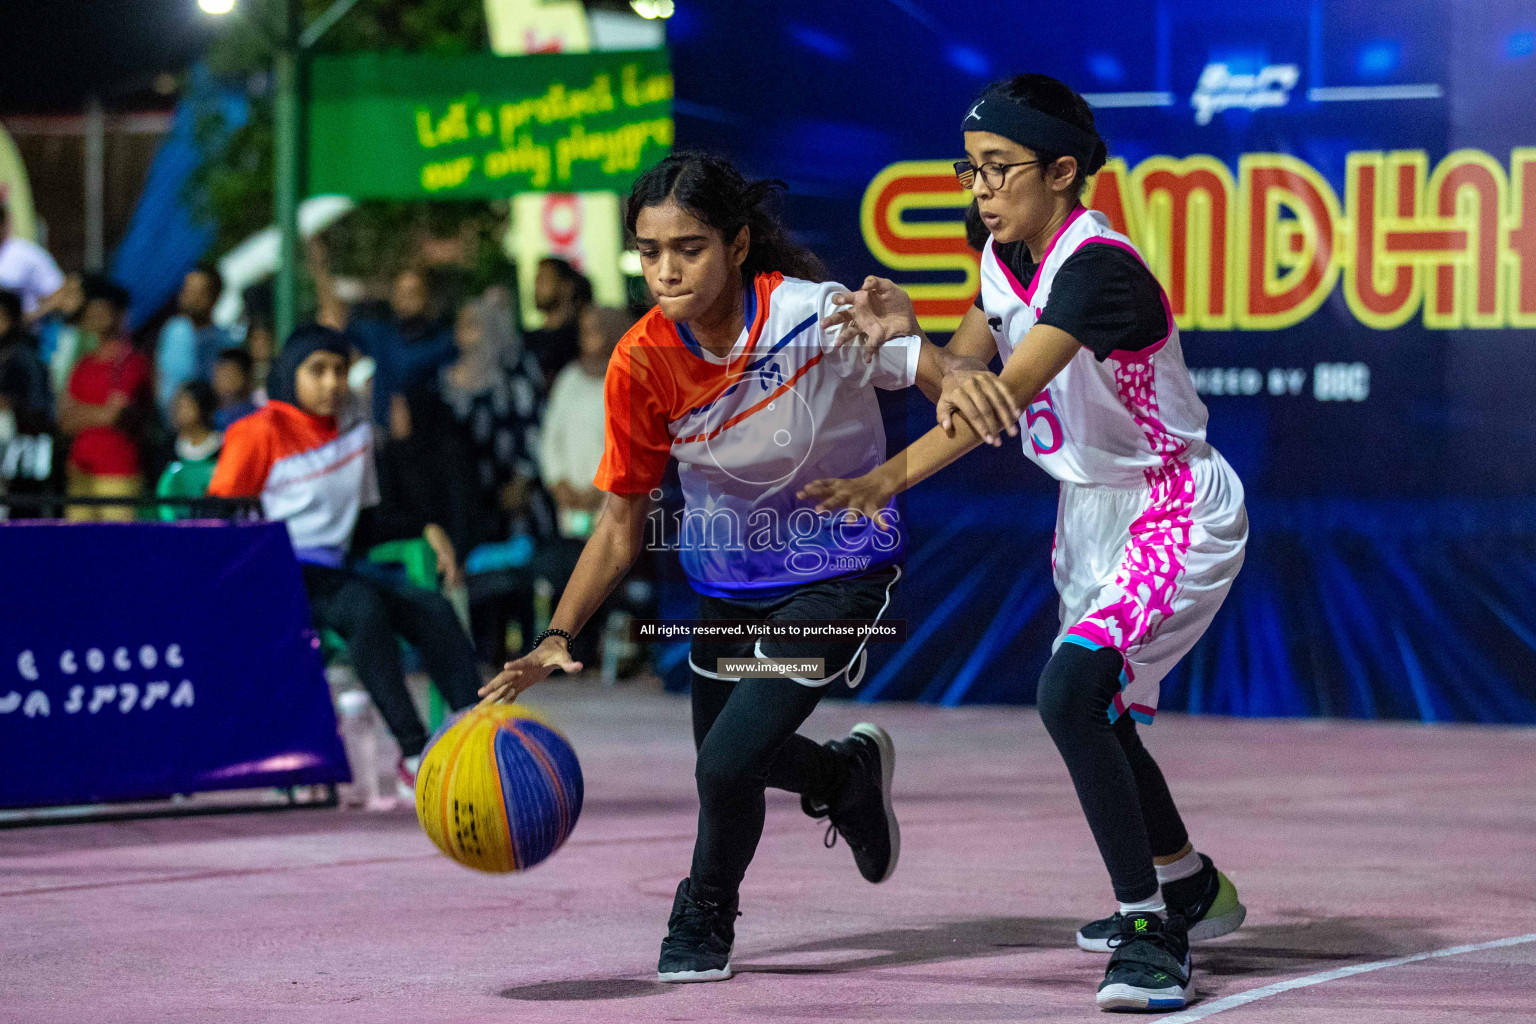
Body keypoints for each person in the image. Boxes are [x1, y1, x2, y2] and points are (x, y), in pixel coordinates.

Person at [803, 74, 1248, 1012]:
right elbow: (969, 375)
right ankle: (1191, 887)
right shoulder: (1003, 252)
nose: (981, 190)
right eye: (971, 171)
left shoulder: (1097, 270)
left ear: (1063, 171)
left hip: (1170, 507)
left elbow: (996, 400)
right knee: (1100, 710)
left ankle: (1146, 931)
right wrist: (918, 341)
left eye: (999, 170)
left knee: (1071, 692)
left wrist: (887, 469)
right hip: (1090, 515)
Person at [479, 152, 981, 984]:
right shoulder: (639, 362)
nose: (666, 270)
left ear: (739, 244)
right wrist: (555, 634)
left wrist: (935, 359)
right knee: (733, 755)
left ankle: (704, 910)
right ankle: (843, 775)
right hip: (726, 587)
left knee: (724, 765)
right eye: (649, 252)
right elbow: (619, 522)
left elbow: (940, 382)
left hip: (838, 570)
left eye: (690, 247)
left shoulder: (818, 315)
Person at [207, 324, 483, 799]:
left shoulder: (354, 435)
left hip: (335, 570)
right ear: (291, 373)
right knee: (363, 608)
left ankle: (476, 734)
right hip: (275, 571)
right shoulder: (257, 431)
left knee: (433, 609)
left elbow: (364, 523)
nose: (332, 383)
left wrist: (424, 528)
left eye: (340, 371)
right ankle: (414, 754)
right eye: (318, 371)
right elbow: (218, 522)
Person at [438, 290, 548, 538]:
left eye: (472, 323)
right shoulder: (446, 380)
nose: (462, 330)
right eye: (461, 323)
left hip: (515, 492)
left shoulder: (514, 369)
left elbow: (533, 423)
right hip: (468, 499)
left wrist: (522, 479)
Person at [58, 277, 151, 522]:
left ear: (118, 315)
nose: (96, 317)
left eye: (103, 311)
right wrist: (99, 412)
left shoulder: (130, 361)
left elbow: (116, 415)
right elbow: (64, 419)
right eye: (92, 311)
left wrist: (82, 413)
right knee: (78, 549)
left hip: (117, 473)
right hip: (80, 473)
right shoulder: (83, 365)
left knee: (117, 548)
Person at [155, 264, 235, 416]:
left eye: (200, 292)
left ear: (215, 296)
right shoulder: (174, 331)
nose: (191, 298)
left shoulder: (224, 340)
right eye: (188, 290)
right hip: (175, 426)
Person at [155, 380, 222, 521]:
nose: (178, 411)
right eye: (176, 405)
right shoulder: (166, 448)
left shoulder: (223, 448)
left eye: (185, 406)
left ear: (203, 408)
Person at [523, 256, 592, 384]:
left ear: (567, 287)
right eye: (536, 279)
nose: (537, 285)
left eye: (544, 279)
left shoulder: (582, 338)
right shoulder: (526, 340)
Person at [0, 288, 52, 434]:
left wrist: (9, 404)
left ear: (13, 320)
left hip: (15, 439)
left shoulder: (25, 358)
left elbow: (38, 406)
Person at [0, 198, 64, 316]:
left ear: (5, 224)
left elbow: (58, 293)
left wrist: (30, 318)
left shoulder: (28, 254)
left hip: (22, 330)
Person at [211, 348, 259, 429]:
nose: (221, 380)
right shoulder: (209, 416)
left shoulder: (254, 418)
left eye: (228, 374)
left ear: (247, 377)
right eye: (218, 373)